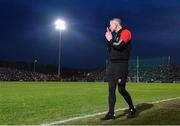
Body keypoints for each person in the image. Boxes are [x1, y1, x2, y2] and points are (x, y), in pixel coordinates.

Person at [101, 18, 136, 120]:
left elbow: (120, 46)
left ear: (116, 24)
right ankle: (111, 113)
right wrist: (109, 40)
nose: (109, 27)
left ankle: (132, 108)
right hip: (112, 65)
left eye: (111, 25)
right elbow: (110, 50)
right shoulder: (114, 35)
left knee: (121, 90)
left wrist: (110, 39)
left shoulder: (126, 32)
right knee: (111, 90)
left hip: (121, 65)